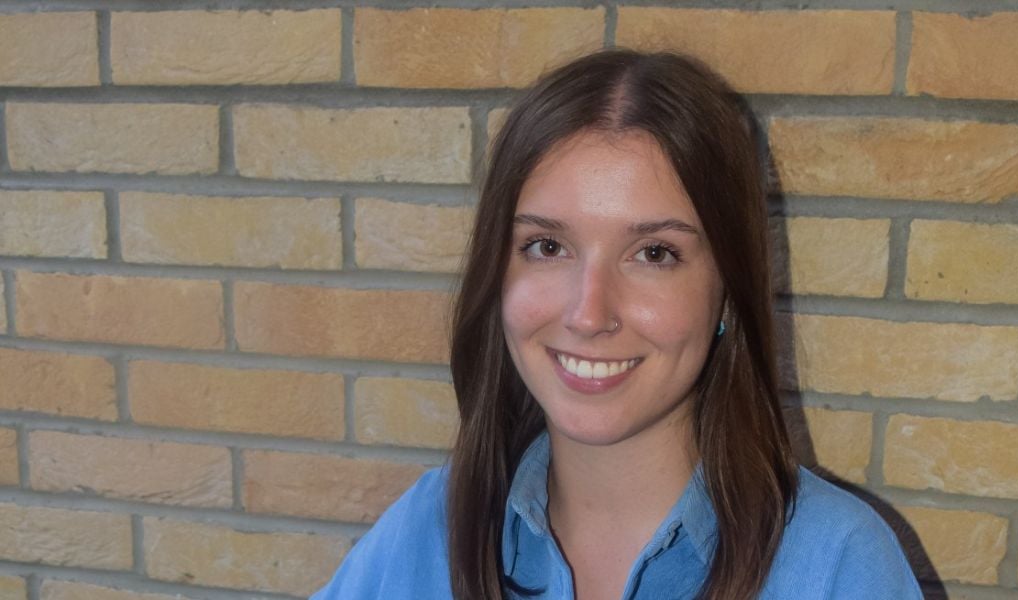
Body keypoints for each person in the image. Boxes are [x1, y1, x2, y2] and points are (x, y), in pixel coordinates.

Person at [313, 49, 922, 600]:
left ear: (727, 294)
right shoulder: (428, 530)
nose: (588, 313)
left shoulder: (839, 565)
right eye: (547, 246)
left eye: (654, 253)